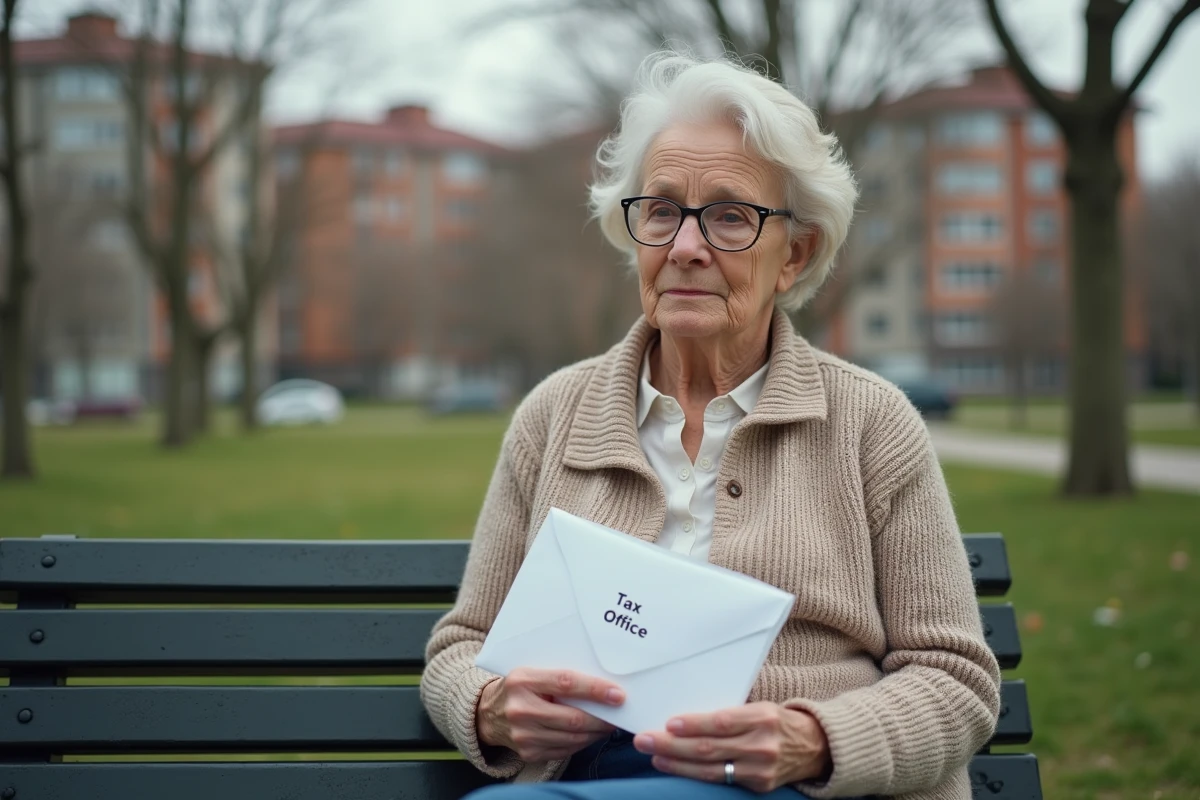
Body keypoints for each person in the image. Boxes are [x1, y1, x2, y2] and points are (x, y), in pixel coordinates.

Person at [420, 49, 1001, 800]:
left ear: (794, 255)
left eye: (729, 216)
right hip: (582, 776)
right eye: (661, 210)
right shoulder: (553, 416)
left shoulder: (870, 424)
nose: (685, 247)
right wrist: (490, 706)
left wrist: (813, 740)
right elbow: (460, 646)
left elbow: (957, 685)